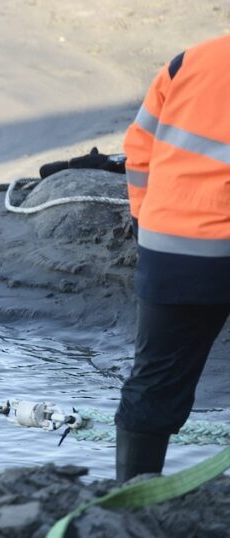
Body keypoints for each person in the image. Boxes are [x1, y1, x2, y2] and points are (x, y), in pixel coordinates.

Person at [115, 35, 230, 482]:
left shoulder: (191, 60)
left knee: (154, 380)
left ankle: (131, 500)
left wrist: (147, 221)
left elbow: (139, 147)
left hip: (172, 247)